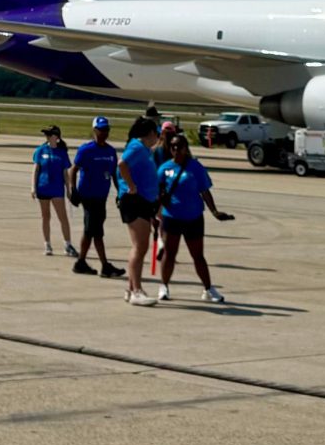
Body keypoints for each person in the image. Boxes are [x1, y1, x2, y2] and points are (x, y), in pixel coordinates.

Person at [153, 132, 235, 303]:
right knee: (169, 253)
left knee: (198, 256)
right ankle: (164, 286)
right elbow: (157, 193)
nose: (176, 149)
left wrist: (214, 211)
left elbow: (204, 190)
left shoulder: (195, 167)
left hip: (193, 218)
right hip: (172, 217)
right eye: (173, 146)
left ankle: (208, 289)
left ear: (185, 148)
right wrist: (154, 212)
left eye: (179, 146)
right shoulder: (164, 168)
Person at [68, 117, 124, 279]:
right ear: (94, 130)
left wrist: (120, 193)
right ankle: (105, 266)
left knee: (91, 230)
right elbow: (73, 170)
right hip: (88, 195)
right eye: (101, 129)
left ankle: (81, 262)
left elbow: (114, 174)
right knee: (96, 231)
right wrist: (73, 190)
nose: (104, 133)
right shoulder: (86, 150)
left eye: (106, 129)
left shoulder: (110, 151)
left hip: (102, 197)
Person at [116, 117, 163, 306]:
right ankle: (136, 290)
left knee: (141, 246)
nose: (158, 137)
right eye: (156, 133)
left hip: (144, 201)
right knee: (140, 246)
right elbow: (121, 164)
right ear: (150, 133)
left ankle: (131, 288)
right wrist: (131, 185)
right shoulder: (136, 147)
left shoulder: (143, 149)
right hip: (134, 201)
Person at [30, 126, 71, 255]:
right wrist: (33, 187)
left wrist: (68, 190)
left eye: (49, 134)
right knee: (45, 216)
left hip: (57, 189)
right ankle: (47, 244)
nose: (47, 137)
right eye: (46, 135)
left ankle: (67, 244)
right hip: (43, 187)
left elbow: (65, 173)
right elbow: (36, 170)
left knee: (62, 217)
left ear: (56, 137)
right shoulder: (40, 151)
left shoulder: (62, 153)